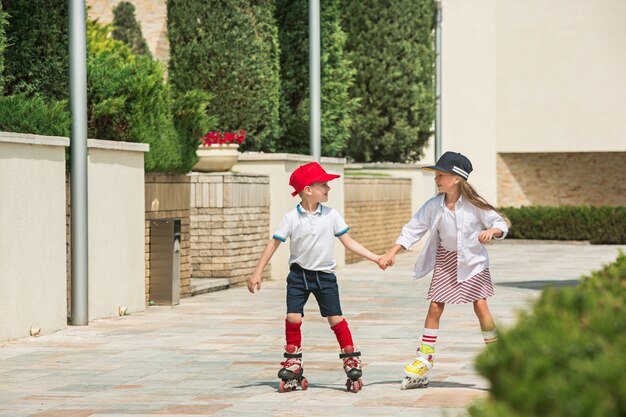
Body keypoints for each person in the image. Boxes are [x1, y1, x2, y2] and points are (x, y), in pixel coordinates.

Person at [379, 151, 510, 390]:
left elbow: (500, 223)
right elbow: (413, 229)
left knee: (480, 305)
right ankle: (424, 358)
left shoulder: (475, 205)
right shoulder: (433, 205)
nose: (436, 179)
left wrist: (492, 232)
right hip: (445, 261)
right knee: (435, 305)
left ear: (456, 178)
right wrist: (391, 252)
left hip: (473, 262)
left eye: (440, 175)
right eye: (436, 175)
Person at [247, 161, 382, 393]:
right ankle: (293, 360)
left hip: (325, 277)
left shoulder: (331, 215)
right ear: (308, 189)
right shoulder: (291, 218)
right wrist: (257, 271)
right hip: (298, 277)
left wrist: (376, 258)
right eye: (324, 184)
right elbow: (274, 243)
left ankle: (351, 358)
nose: (328, 188)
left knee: (335, 318)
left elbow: (349, 242)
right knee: (293, 317)